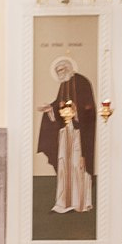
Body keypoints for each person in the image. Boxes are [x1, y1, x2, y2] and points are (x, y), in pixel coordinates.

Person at [41, 56, 98, 215]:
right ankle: (63, 203)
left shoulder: (82, 82)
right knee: (63, 165)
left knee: (77, 165)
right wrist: (50, 109)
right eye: (57, 71)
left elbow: (89, 109)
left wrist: (76, 110)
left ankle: (80, 203)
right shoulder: (63, 85)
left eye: (61, 70)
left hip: (79, 133)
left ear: (68, 68)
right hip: (65, 133)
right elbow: (58, 105)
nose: (60, 73)